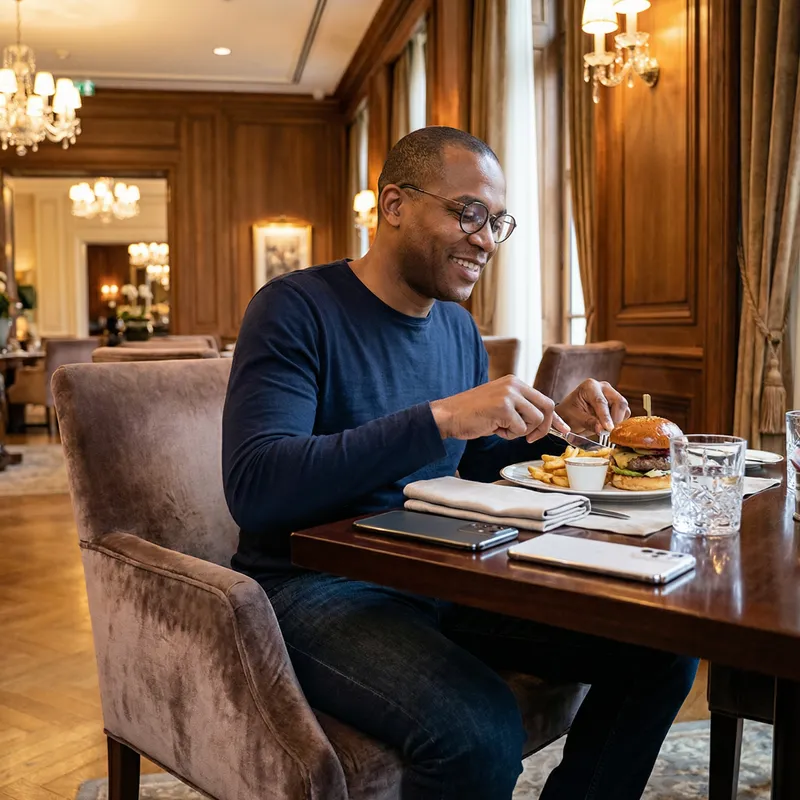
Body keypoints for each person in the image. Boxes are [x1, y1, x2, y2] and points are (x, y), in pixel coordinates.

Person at [223, 126, 698, 800]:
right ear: (393, 205)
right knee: (480, 728)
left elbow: (472, 468)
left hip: (444, 566)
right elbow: (256, 487)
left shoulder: (453, 328)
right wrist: (439, 417)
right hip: (313, 586)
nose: (485, 239)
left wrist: (566, 433)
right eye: (467, 212)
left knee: (662, 649)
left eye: (496, 222)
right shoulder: (295, 309)